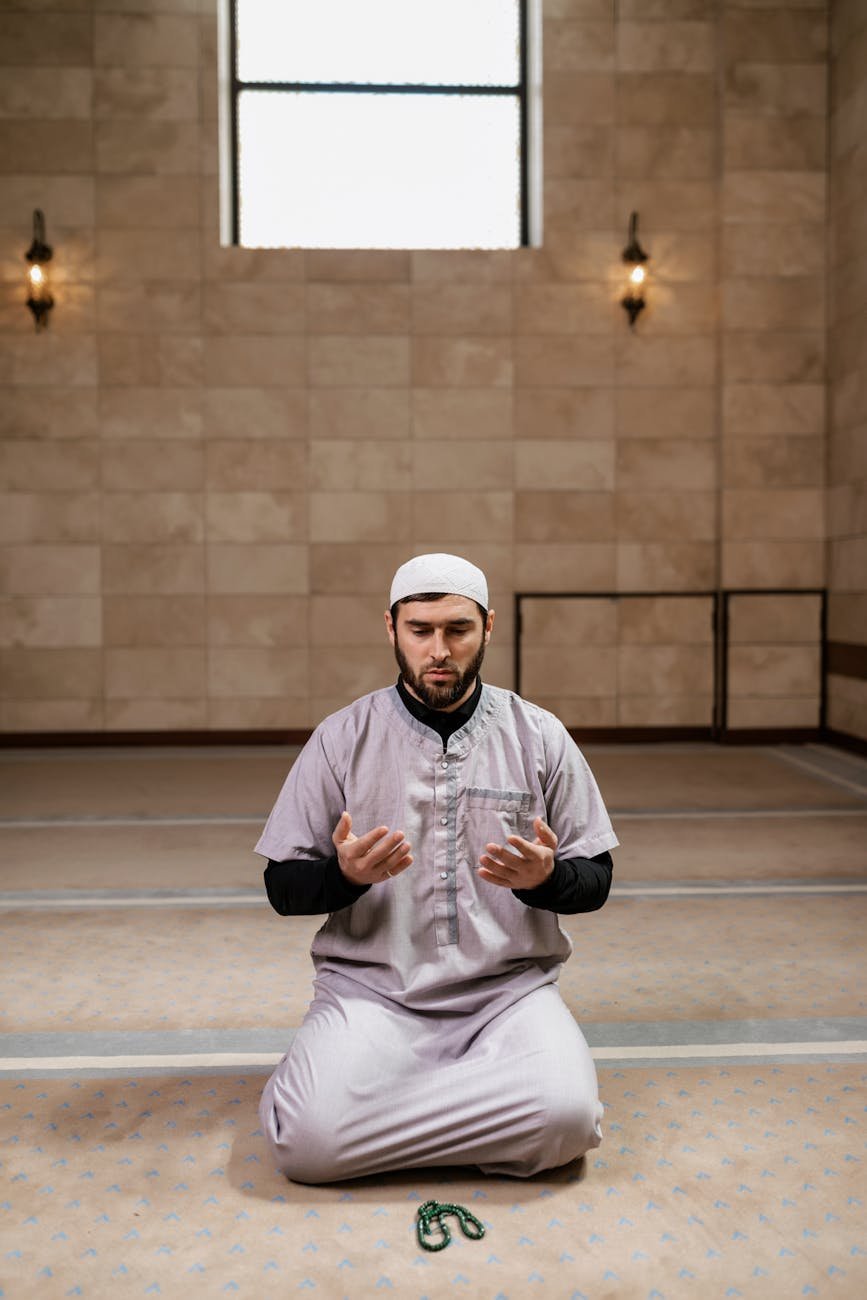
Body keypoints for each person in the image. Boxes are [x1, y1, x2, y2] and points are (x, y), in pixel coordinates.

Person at [256, 552, 618, 1184]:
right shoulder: (341, 738)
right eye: (420, 630)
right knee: (306, 1147)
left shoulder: (540, 734)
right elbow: (282, 888)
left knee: (568, 1120)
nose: (439, 650)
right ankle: (464, 1110)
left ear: (488, 627)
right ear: (391, 628)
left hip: (508, 995)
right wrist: (345, 877)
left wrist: (548, 881)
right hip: (373, 994)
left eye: (458, 629)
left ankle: (374, 1115)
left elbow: (597, 877)